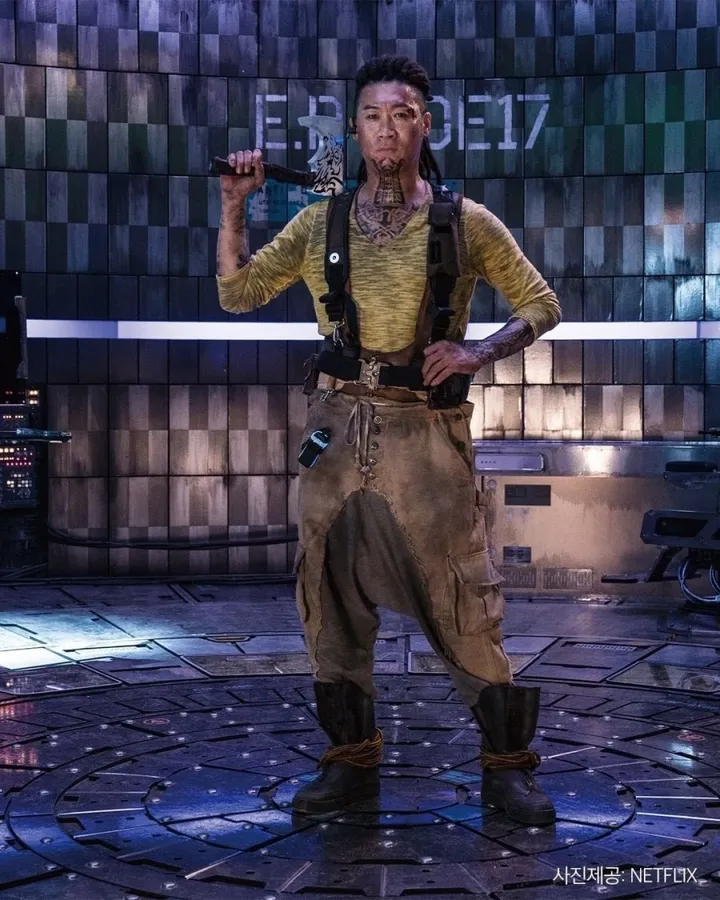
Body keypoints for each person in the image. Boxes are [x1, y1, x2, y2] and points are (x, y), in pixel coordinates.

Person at [216, 56, 562, 826]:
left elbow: (542, 304)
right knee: (327, 596)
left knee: (462, 599)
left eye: (402, 114)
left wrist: (477, 352)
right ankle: (351, 760)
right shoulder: (321, 221)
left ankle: (507, 767)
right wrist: (234, 207)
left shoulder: (465, 223)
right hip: (335, 433)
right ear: (355, 128)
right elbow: (238, 293)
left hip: (426, 434)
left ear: (424, 125)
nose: (387, 129)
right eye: (373, 115)